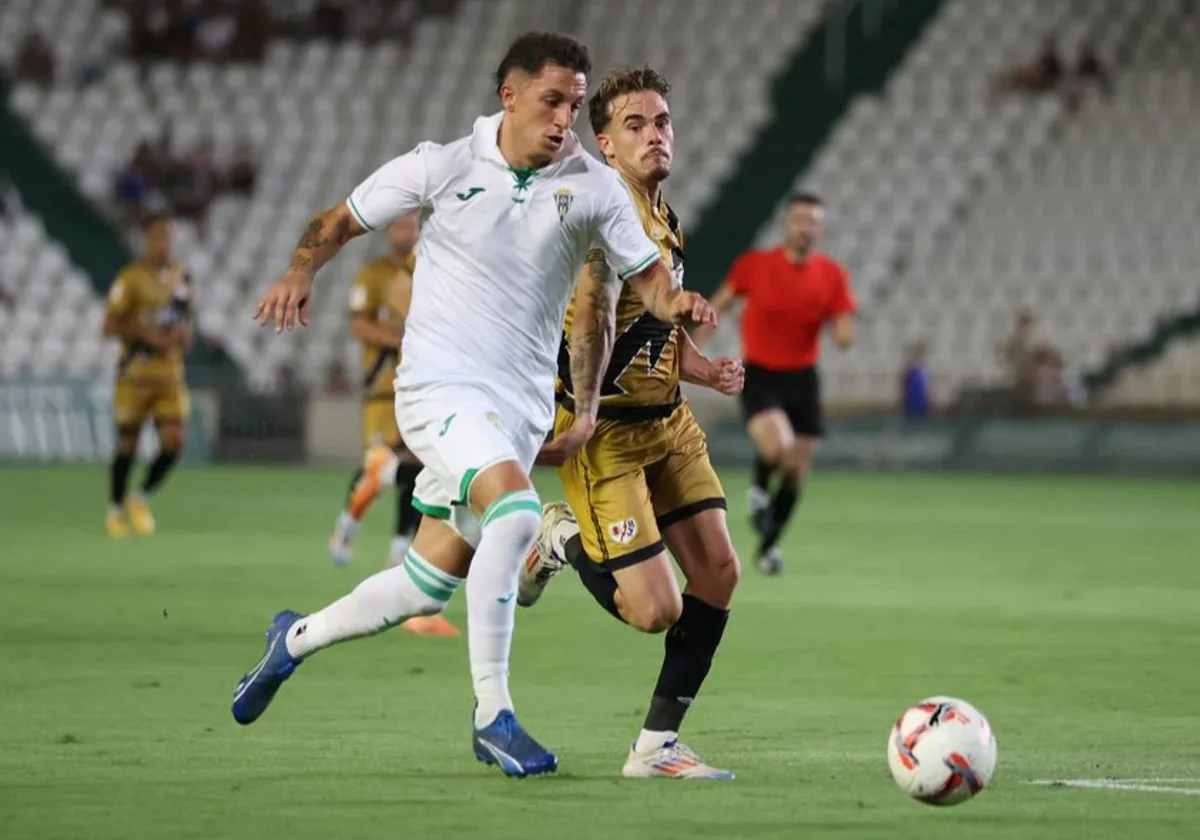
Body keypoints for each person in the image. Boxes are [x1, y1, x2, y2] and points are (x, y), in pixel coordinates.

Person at [230, 31, 716, 780]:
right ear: (510, 95)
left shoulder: (591, 186)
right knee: (518, 516)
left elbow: (642, 280)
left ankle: (292, 639)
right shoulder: (442, 164)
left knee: (420, 584)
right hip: (438, 392)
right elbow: (334, 222)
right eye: (552, 100)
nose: (563, 118)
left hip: (516, 414)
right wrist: (301, 271)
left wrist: (675, 299)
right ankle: (495, 716)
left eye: (576, 104)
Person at [517, 66, 744, 779]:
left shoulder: (663, 216)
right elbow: (587, 316)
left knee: (720, 572)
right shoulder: (602, 214)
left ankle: (655, 747)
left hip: (668, 425)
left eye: (663, 122)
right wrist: (581, 415)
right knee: (655, 611)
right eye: (636, 126)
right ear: (606, 144)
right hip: (605, 437)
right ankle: (561, 540)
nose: (655, 136)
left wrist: (702, 368)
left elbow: (648, 325)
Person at [696, 193, 854, 575]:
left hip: (803, 377)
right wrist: (692, 347)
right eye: (800, 219)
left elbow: (843, 323)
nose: (806, 227)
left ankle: (768, 547)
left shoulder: (831, 274)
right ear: (787, 224)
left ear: (821, 229)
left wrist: (845, 331)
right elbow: (722, 302)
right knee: (777, 444)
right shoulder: (755, 265)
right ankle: (756, 490)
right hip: (761, 373)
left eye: (814, 221)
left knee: (797, 470)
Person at [326, 211, 459, 638]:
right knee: (393, 464)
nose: (407, 230)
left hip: (423, 382)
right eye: (399, 224)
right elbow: (359, 322)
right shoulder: (374, 274)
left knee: (418, 470)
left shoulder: (429, 267)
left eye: (411, 224)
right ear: (387, 230)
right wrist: (402, 337)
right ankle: (350, 520)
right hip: (386, 386)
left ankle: (401, 552)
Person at [103, 214, 194, 538]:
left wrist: (184, 336)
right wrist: (146, 336)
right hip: (136, 373)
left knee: (175, 440)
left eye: (169, 237)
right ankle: (114, 510)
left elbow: (185, 322)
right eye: (158, 237)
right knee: (128, 443)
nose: (164, 244)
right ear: (146, 240)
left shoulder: (182, 278)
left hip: (169, 373)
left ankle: (139, 498)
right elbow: (110, 325)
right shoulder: (129, 279)